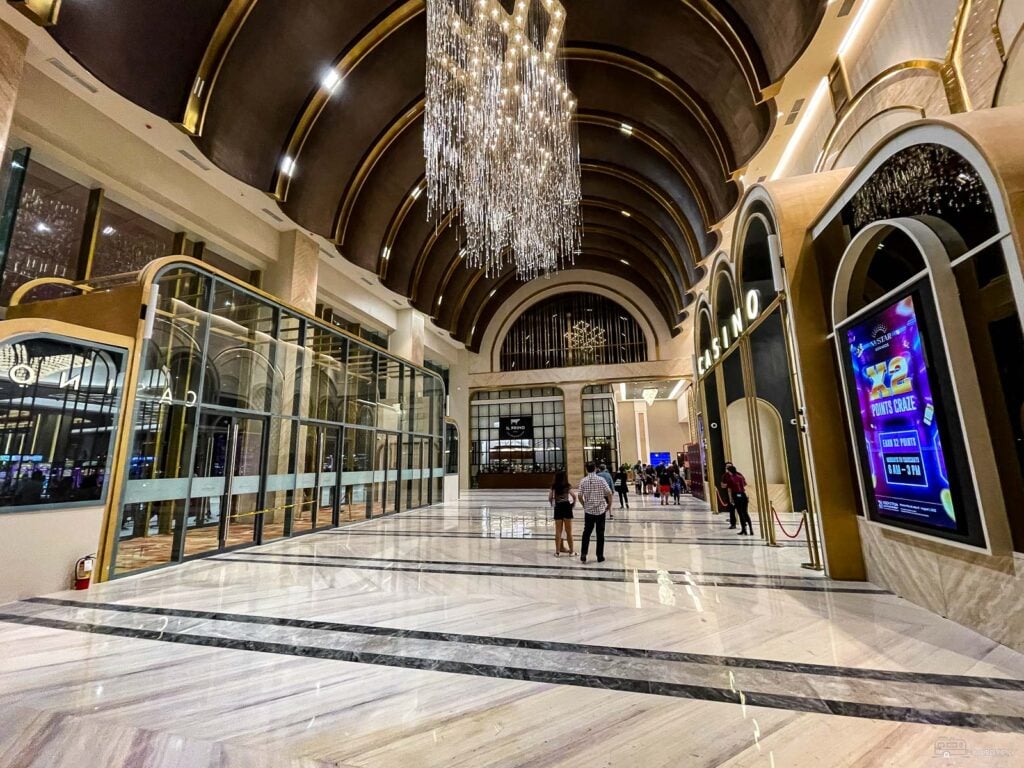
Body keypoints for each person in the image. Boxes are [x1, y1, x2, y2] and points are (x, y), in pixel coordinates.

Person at [578, 462, 612, 563]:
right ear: (595, 469)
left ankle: (584, 554)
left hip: (589, 511)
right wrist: (609, 505)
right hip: (600, 510)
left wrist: (584, 504)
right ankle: (600, 556)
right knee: (600, 533)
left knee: (586, 533)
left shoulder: (583, 481)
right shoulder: (601, 480)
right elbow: (609, 493)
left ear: (586, 469)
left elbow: (579, 495)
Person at [548, 471, 577, 556]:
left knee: (558, 531)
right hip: (567, 507)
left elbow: (550, 497)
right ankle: (571, 551)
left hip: (558, 507)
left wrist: (552, 504)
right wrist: (573, 503)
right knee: (569, 531)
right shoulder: (567, 486)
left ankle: (557, 552)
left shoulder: (554, 486)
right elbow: (574, 496)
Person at [722, 462, 753, 535]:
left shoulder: (730, 479)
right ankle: (751, 529)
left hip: (736, 496)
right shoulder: (740, 477)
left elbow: (729, 490)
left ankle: (744, 530)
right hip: (743, 495)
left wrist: (731, 499)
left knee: (740, 513)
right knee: (745, 513)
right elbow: (745, 486)